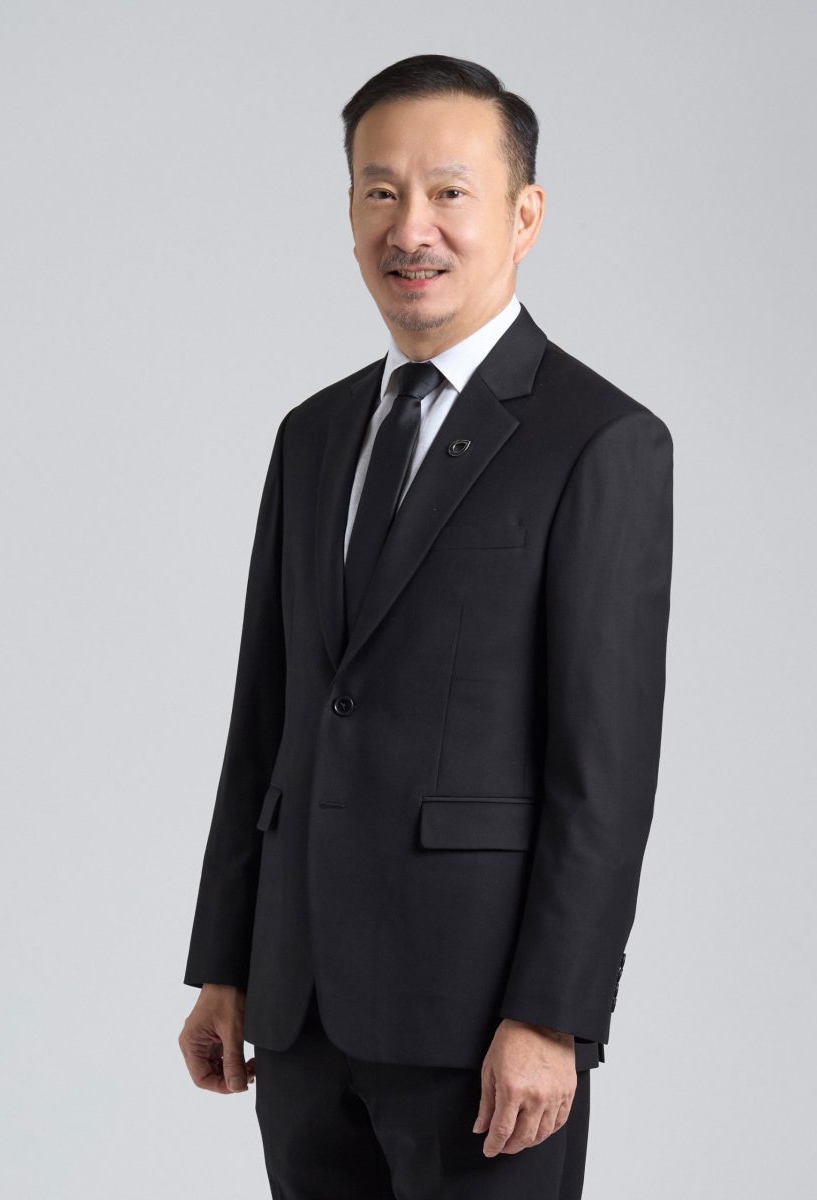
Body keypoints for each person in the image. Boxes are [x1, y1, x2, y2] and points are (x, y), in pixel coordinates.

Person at [179, 52, 673, 1199]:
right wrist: (227, 961)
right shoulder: (313, 434)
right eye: (380, 191)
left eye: (450, 191)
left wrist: (553, 1015)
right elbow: (269, 715)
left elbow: (604, 771)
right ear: (350, 211)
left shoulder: (600, 441)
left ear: (524, 214)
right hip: (299, 1007)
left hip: (479, 1023)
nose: (412, 227)